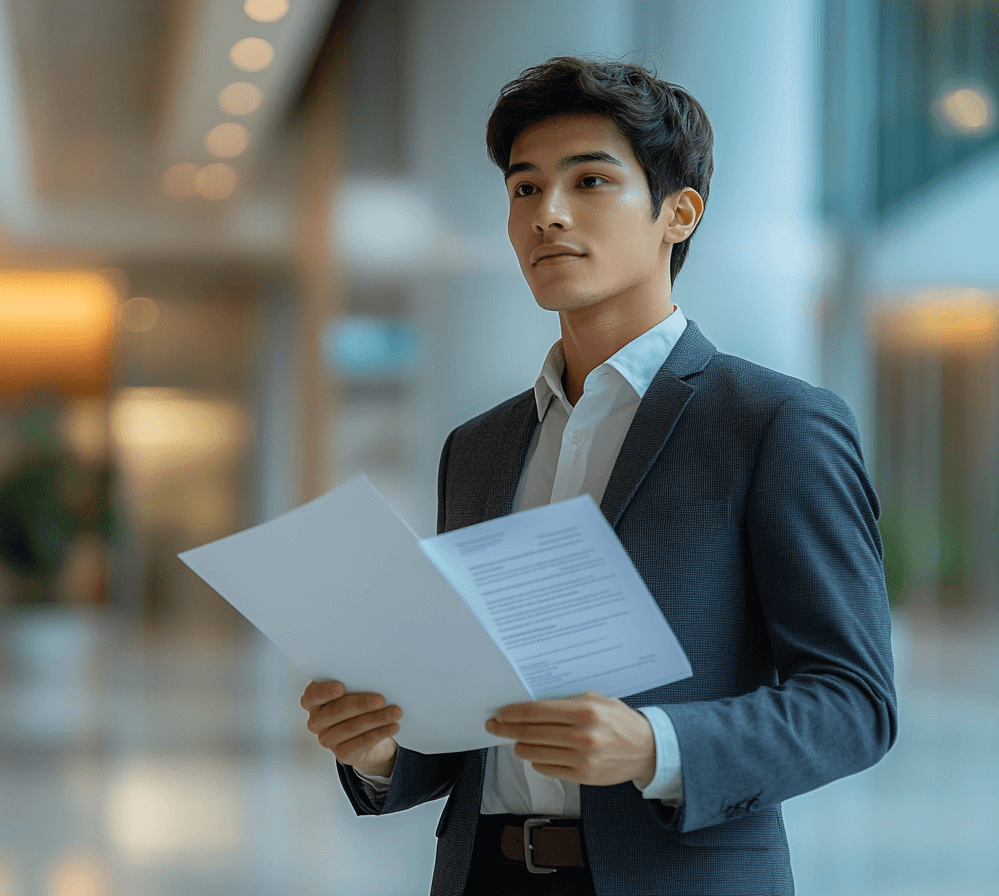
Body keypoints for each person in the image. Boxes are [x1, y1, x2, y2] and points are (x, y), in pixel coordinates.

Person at [299, 56, 896, 896]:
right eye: (524, 189)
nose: (548, 214)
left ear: (677, 215)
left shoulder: (774, 423)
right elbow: (471, 716)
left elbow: (855, 703)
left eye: (589, 181)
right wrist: (382, 750)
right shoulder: (478, 447)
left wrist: (655, 747)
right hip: (484, 876)